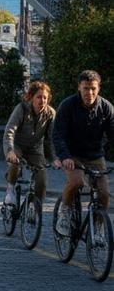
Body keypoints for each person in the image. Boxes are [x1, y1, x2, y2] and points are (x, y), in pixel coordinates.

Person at [52, 69, 114, 235]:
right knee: (77, 182)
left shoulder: (106, 108)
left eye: (93, 88)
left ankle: (98, 230)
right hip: (72, 155)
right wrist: (64, 157)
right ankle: (64, 211)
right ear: (79, 87)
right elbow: (57, 134)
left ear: (99, 88)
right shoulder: (68, 105)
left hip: (95, 156)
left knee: (104, 194)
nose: (90, 92)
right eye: (86, 88)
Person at [3, 80, 55, 207]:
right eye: (38, 97)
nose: (42, 100)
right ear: (31, 97)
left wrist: (55, 158)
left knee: (41, 179)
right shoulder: (21, 108)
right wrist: (10, 150)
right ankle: (10, 190)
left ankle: (36, 207)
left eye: (45, 98)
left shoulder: (50, 113)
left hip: (35, 148)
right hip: (17, 144)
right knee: (14, 163)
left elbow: (52, 139)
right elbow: (10, 131)